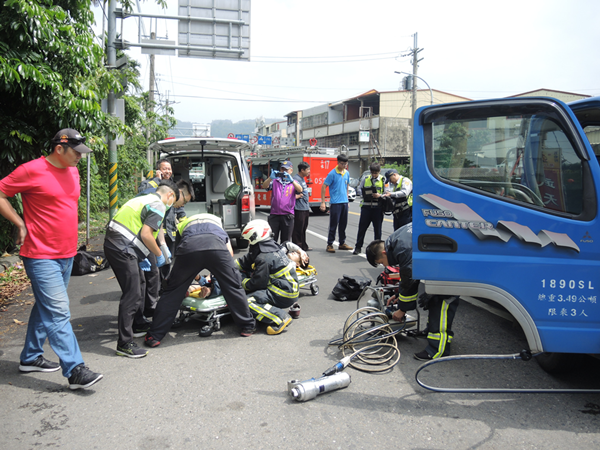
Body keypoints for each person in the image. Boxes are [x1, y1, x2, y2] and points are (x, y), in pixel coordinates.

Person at [0, 128, 103, 390]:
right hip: (40, 254)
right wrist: (19, 223)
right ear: (59, 149)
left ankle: (31, 357)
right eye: (76, 152)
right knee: (58, 311)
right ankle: (75, 369)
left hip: (67, 253)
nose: (80, 157)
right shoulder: (31, 170)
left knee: (45, 306)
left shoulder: (73, 170)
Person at [144, 213, 256, 347]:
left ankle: (154, 336)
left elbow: (182, 251)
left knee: (172, 292)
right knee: (233, 286)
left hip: (190, 249)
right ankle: (247, 326)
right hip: (217, 248)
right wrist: (217, 273)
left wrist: (184, 279)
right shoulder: (217, 223)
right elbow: (229, 253)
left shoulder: (184, 224)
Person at [103, 179, 179, 358]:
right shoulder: (159, 205)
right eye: (173, 201)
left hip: (116, 243)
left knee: (141, 282)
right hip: (122, 247)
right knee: (132, 294)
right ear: (169, 195)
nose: (171, 206)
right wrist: (159, 254)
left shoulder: (144, 198)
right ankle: (124, 343)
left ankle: (138, 323)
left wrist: (142, 255)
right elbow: (146, 234)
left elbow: (140, 228)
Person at [365, 223, 459, 361]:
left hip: (450, 266)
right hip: (440, 261)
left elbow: (410, 278)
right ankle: (431, 331)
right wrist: (399, 296)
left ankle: (438, 350)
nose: (385, 266)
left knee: (442, 301)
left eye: (381, 262)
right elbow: (408, 276)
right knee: (431, 298)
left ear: (384, 253)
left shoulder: (403, 249)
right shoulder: (395, 239)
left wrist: (402, 310)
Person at [137, 179, 193, 321]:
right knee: (144, 279)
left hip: (141, 237)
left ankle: (148, 309)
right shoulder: (157, 199)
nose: (182, 206)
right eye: (184, 202)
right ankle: (142, 315)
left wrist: (162, 244)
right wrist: (159, 252)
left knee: (152, 275)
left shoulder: (163, 201)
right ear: (178, 193)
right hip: (136, 238)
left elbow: (158, 223)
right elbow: (146, 232)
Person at [235, 220, 299, 335]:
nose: (249, 243)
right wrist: (227, 266)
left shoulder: (264, 258)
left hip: (283, 292)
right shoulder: (270, 247)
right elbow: (246, 260)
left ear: (255, 237)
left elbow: (257, 284)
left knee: (247, 301)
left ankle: (280, 317)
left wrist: (240, 281)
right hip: (287, 289)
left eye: (249, 240)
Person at [262, 160, 303, 243]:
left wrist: (292, 181)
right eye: (282, 169)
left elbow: (300, 190)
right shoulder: (275, 181)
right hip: (274, 215)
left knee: (286, 241)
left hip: (287, 215)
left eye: (286, 170)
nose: (283, 172)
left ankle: (284, 255)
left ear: (291, 171)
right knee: (271, 240)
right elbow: (264, 186)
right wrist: (270, 178)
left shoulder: (294, 182)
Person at [320, 154, 353, 253]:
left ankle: (342, 243)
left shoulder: (347, 173)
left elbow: (347, 186)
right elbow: (324, 186)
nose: (344, 166)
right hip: (335, 203)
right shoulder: (332, 174)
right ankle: (330, 244)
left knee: (343, 224)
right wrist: (323, 202)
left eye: (346, 164)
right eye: (342, 164)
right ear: (338, 163)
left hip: (344, 202)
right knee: (334, 224)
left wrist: (347, 199)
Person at [353, 162, 386, 256]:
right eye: (372, 173)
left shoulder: (383, 180)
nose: (374, 175)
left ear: (379, 171)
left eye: (376, 173)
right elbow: (359, 189)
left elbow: (387, 192)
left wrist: (379, 195)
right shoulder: (365, 178)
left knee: (377, 231)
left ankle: (377, 251)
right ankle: (358, 247)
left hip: (378, 208)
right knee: (362, 229)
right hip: (366, 207)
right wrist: (364, 194)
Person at [291, 162, 311, 251]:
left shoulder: (302, 179)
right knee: (297, 229)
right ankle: (298, 247)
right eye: (307, 170)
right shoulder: (295, 179)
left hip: (305, 207)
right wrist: (297, 196)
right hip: (298, 208)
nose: (309, 172)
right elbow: (290, 194)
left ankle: (303, 245)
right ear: (302, 170)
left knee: (303, 228)